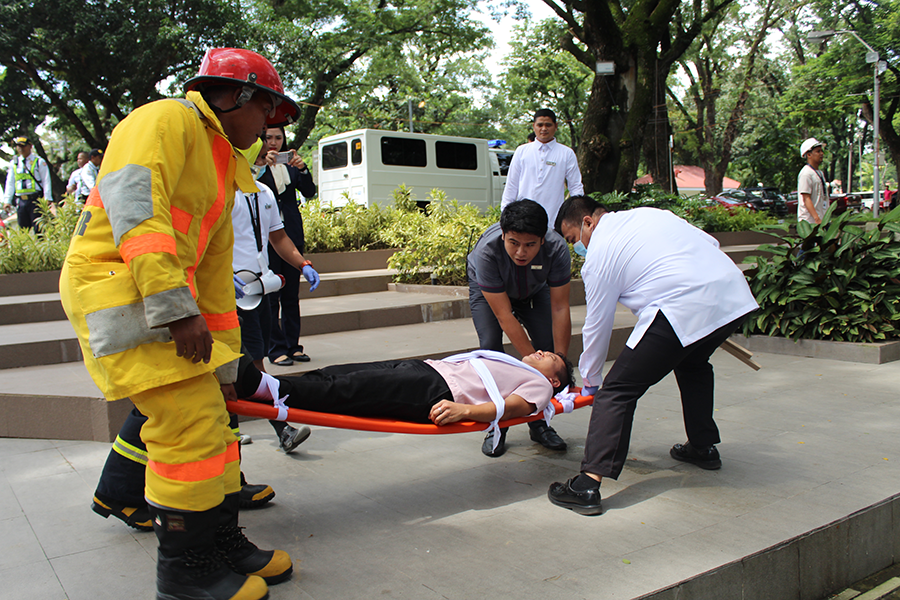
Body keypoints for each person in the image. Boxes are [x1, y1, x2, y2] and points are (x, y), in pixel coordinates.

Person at [59, 47, 302, 600]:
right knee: (185, 425)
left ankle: (220, 545)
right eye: (267, 112)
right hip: (121, 293)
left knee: (215, 422)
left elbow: (215, 271)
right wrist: (177, 311)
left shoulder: (223, 162)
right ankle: (187, 573)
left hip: (167, 302)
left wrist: (225, 357)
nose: (269, 127)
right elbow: (135, 214)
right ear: (239, 96)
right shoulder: (166, 120)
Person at [546, 196, 759, 516]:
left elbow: (597, 325)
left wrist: (591, 381)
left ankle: (587, 484)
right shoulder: (649, 215)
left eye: (574, 239)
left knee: (617, 391)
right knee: (694, 364)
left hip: (681, 304)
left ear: (588, 221)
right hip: (732, 294)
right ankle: (702, 447)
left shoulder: (601, 250)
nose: (578, 249)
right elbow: (709, 242)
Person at [234, 348, 574, 430]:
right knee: (343, 373)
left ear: (555, 379)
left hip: (440, 391)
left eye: (551, 358)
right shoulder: (513, 364)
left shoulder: (540, 387)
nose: (542, 352)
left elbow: (514, 408)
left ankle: (272, 390)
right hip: (429, 370)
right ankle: (271, 386)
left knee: (355, 389)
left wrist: (465, 412)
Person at [467, 199, 572, 457]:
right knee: (491, 350)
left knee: (545, 345)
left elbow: (560, 308)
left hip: (534, 290)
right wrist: (533, 365)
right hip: (490, 293)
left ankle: (539, 424)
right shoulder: (487, 253)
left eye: (530, 245)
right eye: (513, 243)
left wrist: (558, 362)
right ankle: (496, 426)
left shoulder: (557, 248)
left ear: (543, 240)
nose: (521, 252)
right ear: (503, 235)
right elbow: (504, 315)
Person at [234, 139, 319, 454]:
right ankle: (237, 431)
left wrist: (302, 263)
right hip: (225, 294)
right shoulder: (215, 192)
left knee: (254, 364)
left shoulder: (264, 193)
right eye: (255, 155)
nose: (260, 159)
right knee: (232, 366)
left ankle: (277, 428)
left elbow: (279, 237)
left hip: (256, 290)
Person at [257, 126, 317, 366]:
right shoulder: (255, 166)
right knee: (272, 295)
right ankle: (276, 348)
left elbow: (310, 192)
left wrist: (302, 169)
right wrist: (262, 165)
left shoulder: (292, 165)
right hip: (266, 238)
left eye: (278, 138)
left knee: (291, 296)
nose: (274, 142)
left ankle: (293, 346)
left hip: (291, 234)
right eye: (269, 137)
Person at [500, 109, 584, 224]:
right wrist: (505, 214)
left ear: (556, 126)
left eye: (548, 125)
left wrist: (577, 215)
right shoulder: (522, 151)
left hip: (554, 220)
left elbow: (575, 187)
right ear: (534, 126)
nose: (544, 129)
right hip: (523, 219)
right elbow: (511, 185)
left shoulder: (566, 153)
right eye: (540, 125)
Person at [4, 136, 52, 231]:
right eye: (18, 146)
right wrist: (7, 201)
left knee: (39, 229)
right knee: (23, 229)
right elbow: (10, 182)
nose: (21, 149)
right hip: (21, 201)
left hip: (35, 199)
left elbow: (46, 180)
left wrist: (47, 198)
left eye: (23, 146)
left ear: (30, 146)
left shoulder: (38, 161)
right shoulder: (14, 163)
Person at [797, 138, 829, 225]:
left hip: (821, 219)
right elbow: (806, 198)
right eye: (818, 151)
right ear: (809, 155)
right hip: (810, 222)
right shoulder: (806, 173)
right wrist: (816, 218)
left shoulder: (819, 173)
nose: (821, 154)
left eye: (821, 151)